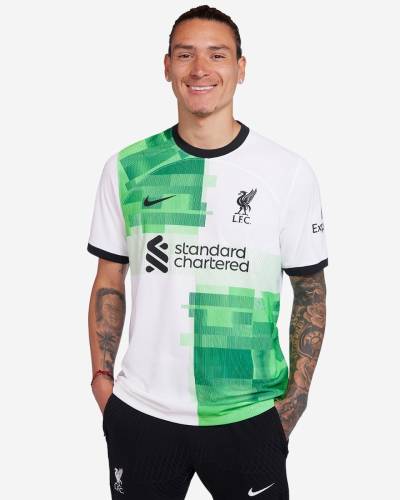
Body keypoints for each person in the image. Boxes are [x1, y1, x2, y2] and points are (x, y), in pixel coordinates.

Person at [87, 5, 328, 499]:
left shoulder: (287, 172)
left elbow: (310, 290)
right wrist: (102, 385)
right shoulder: (129, 167)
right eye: (185, 55)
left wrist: (295, 402)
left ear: (241, 67)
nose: (200, 69)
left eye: (217, 55)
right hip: (142, 413)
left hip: (250, 415)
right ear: (167, 67)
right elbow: (108, 279)